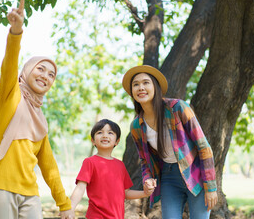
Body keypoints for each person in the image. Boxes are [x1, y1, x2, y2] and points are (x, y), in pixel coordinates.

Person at [0, 0, 74, 219]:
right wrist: (16, 32)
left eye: (51, 75)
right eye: (40, 69)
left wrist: (64, 203)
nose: (46, 76)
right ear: (28, 71)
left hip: (30, 194)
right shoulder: (11, 93)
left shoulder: (40, 119)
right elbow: (9, 62)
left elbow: (49, 166)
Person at [122, 65, 218, 219]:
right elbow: (145, 161)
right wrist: (147, 180)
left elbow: (203, 147)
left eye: (146, 82)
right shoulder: (136, 126)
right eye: (136, 84)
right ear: (132, 91)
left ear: (155, 86)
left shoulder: (178, 108)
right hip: (169, 178)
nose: (141, 87)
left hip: (195, 172)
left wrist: (211, 187)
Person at [70, 119, 154, 219]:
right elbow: (80, 188)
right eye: (100, 132)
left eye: (110, 133)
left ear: (117, 141)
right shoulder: (90, 162)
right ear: (93, 140)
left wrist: (145, 193)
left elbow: (126, 193)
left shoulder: (120, 165)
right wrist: (70, 208)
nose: (105, 135)